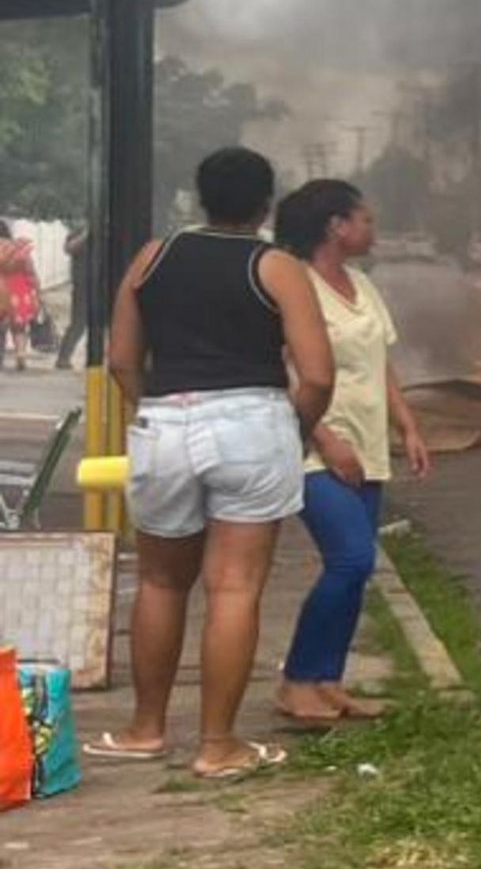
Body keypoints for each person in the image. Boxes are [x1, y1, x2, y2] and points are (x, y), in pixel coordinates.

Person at [92, 148, 335, 781]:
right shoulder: (276, 267)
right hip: (250, 424)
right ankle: (218, 744)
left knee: (160, 582)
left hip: (164, 422)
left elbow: (121, 358)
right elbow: (316, 374)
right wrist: (295, 430)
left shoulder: (153, 257)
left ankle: (145, 730)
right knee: (233, 586)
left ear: (200, 197)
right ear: (265, 204)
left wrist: (155, 412)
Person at [268, 181, 433, 727]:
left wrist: (407, 425)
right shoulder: (298, 286)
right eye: (364, 219)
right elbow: (286, 369)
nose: (372, 228)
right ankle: (297, 681)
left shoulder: (361, 283)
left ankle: (327, 682)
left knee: (356, 568)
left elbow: (379, 362)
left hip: (368, 444)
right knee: (352, 558)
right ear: (335, 227)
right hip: (318, 447)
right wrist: (325, 437)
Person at [1, 221, 36, 369]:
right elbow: (30, 269)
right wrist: (36, 290)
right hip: (20, 289)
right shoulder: (18, 248)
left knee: (1, 325)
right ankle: (20, 353)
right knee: (19, 326)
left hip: (2, 287)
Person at [55, 222, 88, 370]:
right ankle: (63, 358)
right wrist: (87, 234)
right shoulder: (80, 229)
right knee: (78, 323)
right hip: (83, 285)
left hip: (105, 284)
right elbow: (69, 248)